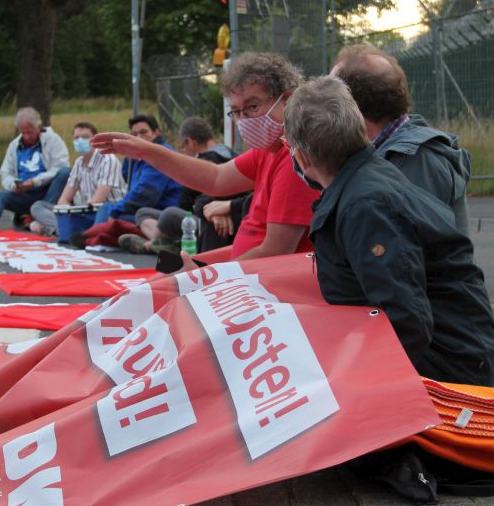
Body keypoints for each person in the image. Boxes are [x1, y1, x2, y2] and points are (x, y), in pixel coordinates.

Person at [283, 76, 494, 385]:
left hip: (451, 372)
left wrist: (349, 381)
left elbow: (405, 322)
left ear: (302, 157)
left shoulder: (365, 206)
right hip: (458, 353)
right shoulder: (368, 182)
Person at [92, 52, 320, 263]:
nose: (244, 119)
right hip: (247, 275)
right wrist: (146, 151)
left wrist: (209, 276)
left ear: (287, 99)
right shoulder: (270, 149)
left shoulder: (295, 159)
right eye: (236, 111)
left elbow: (275, 254)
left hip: (261, 288)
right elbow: (216, 178)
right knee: (158, 278)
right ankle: (163, 251)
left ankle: (161, 250)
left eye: (252, 106)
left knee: (156, 291)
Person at [331, 44, 471, 234]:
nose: (326, 110)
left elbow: (401, 249)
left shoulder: (416, 159)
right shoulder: (387, 151)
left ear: (353, 106)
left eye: (331, 100)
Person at [118, 115, 235, 254]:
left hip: (206, 218)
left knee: (169, 214)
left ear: (190, 142)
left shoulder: (207, 162)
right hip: (203, 214)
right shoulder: (229, 154)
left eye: (182, 147)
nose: (183, 151)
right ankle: (166, 244)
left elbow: (206, 198)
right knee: (143, 213)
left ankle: (153, 245)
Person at [0, 107, 70, 232]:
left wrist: (35, 181)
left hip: (47, 192)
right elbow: (5, 172)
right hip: (24, 194)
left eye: (29, 132)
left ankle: (43, 217)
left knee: (65, 173)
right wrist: (14, 185)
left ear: (39, 127)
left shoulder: (53, 140)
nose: (26, 136)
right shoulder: (14, 145)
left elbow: (61, 166)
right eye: (22, 132)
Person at [28, 121, 126, 236]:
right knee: (37, 206)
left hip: (104, 212)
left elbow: (97, 201)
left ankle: (61, 229)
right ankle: (63, 228)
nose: (80, 141)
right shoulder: (79, 162)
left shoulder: (108, 160)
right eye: (76, 138)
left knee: (38, 223)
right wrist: (66, 215)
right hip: (84, 211)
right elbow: (63, 200)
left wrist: (71, 215)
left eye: (85, 137)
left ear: (95, 140)